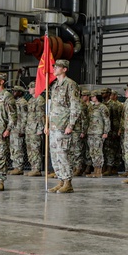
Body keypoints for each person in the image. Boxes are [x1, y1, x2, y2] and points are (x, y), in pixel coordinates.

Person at [46, 59, 82, 194]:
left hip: (63, 125)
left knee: (63, 154)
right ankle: (60, 180)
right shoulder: (55, 85)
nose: (54, 69)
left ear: (64, 69)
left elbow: (75, 106)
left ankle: (67, 182)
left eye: (57, 67)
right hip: (55, 125)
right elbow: (52, 107)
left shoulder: (70, 85)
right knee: (54, 155)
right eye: (54, 66)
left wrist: (71, 125)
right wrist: (48, 124)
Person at [86, 90, 110, 177]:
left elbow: (107, 120)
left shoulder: (103, 107)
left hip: (98, 132)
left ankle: (98, 171)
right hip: (90, 132)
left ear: (97, 97)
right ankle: (95, 169)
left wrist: (105, 132)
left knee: (98, 151)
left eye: (93, 96)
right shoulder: (91, 107)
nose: (91, 97)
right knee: (92, 151)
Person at [24, 82, 46, 176]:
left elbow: (41, 115)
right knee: (30, 148)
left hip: (35, 128)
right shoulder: (31, 100)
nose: (29, 89)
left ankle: (37, 169)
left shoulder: (39, 100)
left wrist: (40, 128)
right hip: (29, 128)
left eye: (30, 88)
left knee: (35, 148)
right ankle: (33, 167)